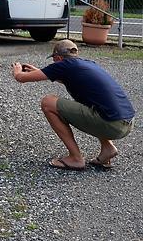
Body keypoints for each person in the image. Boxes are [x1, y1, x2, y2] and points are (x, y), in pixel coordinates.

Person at [11, 39, 135, 171]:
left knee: (48, 102)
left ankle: (76, 158)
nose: (54, 63)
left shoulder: (63, 65)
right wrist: (40, 72)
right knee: (92, 102)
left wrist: (17, 70)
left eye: (54, 60)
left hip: (112, 125)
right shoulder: (87, 64)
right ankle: (107, 148)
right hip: (127, 123)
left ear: (58, 58)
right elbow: (64, 77)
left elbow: (21, 78)